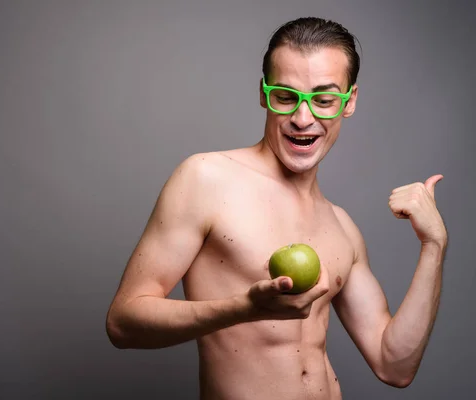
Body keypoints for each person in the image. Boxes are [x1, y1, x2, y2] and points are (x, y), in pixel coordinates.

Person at [105, 16, 448, 400]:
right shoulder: (206, 179)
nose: (303, 119)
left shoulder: (342, 227)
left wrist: (433, 246)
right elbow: (123, 323)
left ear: (348, 102)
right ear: (263, 93)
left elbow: (394, 364)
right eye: (286, 96)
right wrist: (243, 309)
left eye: (323, 99)